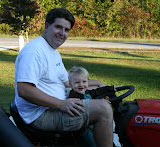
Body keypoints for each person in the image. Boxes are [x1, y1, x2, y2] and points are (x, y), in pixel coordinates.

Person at [15, 8, 113, 147]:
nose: (62, 33)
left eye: (66, 30)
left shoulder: (52, 51)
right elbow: (24, 90)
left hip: (55, 105)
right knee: (104, 110)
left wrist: (99, 85)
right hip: (40, 114)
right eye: (58, 27)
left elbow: (68, 83)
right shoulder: (34, 51)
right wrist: (61, 104)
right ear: (47, 26)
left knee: (100, 99)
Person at [67, 66, 118, 147]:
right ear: (70, 84)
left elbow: (96, 91)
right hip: (83, 128)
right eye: (77, 82)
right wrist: (100, 103)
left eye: (84, 81)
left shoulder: (86, 92)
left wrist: (110, 88)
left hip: (92, 124)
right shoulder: (73, 95)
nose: (81, 85)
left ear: (88, 82)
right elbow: (83, 104)